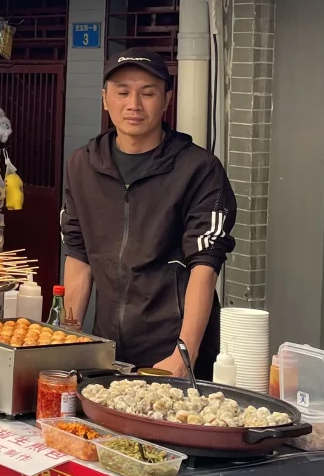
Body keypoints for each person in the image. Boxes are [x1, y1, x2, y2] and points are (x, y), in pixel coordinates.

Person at [61, 50, 236, 379]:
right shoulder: (83, 164)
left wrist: (185, 354)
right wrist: (67, 340)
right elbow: (78, 253)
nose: (134, 104)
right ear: (105, 99)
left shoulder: (198, 169)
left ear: (167, 100)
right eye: (122, 92)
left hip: (172, 352)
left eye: (148, 93)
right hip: (107, 349)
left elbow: (205, 263)